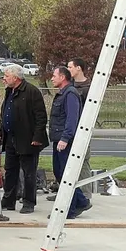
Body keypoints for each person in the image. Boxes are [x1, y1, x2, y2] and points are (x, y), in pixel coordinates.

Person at [0, 63, 48, 214]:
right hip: (10, 138)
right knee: (10, 170)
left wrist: (37, 137)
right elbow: (6, 112)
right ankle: (8, 201)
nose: (4, 79)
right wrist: (2, 133)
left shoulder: (32, 92)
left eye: (6, 76)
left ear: (16, 77)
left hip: (27, 139)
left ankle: (28, 202)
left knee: (29, 172)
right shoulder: (9, 91)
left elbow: (41, 117)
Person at [49, 66, 91, 219]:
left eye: (54, 75)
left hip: (65, 141)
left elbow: (72, 119)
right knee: (59, 172)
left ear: (62, 77)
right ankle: (81, 201)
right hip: (58, 139)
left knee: (66, 174)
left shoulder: (70, 94)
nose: (52, 78)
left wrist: (65, 138)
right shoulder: (62, 93)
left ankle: (70, 208)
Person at [66, 57, 95, 199]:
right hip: (69, 128)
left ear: (79, 68)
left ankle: (85, 193)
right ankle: (65, 190)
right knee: (65, 160)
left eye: (70, 67)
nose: (68, 69)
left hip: (83, 128)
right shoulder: (69, 86)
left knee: (82, 160)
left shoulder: (89, 87)